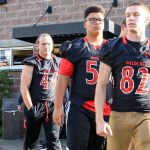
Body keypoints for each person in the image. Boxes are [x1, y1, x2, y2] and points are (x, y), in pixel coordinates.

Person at [53, 5, 112, 150]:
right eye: (92, 19)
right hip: (81, 107)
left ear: (104, 23)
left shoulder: (114, 47)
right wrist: (57, 107)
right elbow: (62, 80)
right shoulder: (75, 47)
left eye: (99, 19)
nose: (96, 22)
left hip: (107, 109)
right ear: (84, 23)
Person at [95, 2, 150, 150]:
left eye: (136, 14)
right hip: (119, 113)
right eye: (127, 15)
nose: (130, 18)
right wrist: (99, 120)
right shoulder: (113, 47)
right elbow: (101, 85)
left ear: (146, 19)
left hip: (147, 114)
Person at [20, 33, 62, 150]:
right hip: (35, 104)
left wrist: (60, 105)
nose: (46, 46)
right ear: (37, 46)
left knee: (54, 139)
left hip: (52, 105)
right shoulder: (31, 62)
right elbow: (24, 88)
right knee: (31, 141)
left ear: (52, 45)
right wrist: (30, 108)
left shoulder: (59, 62)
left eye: (48, 43)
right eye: (43, 44)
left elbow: (63, 84)